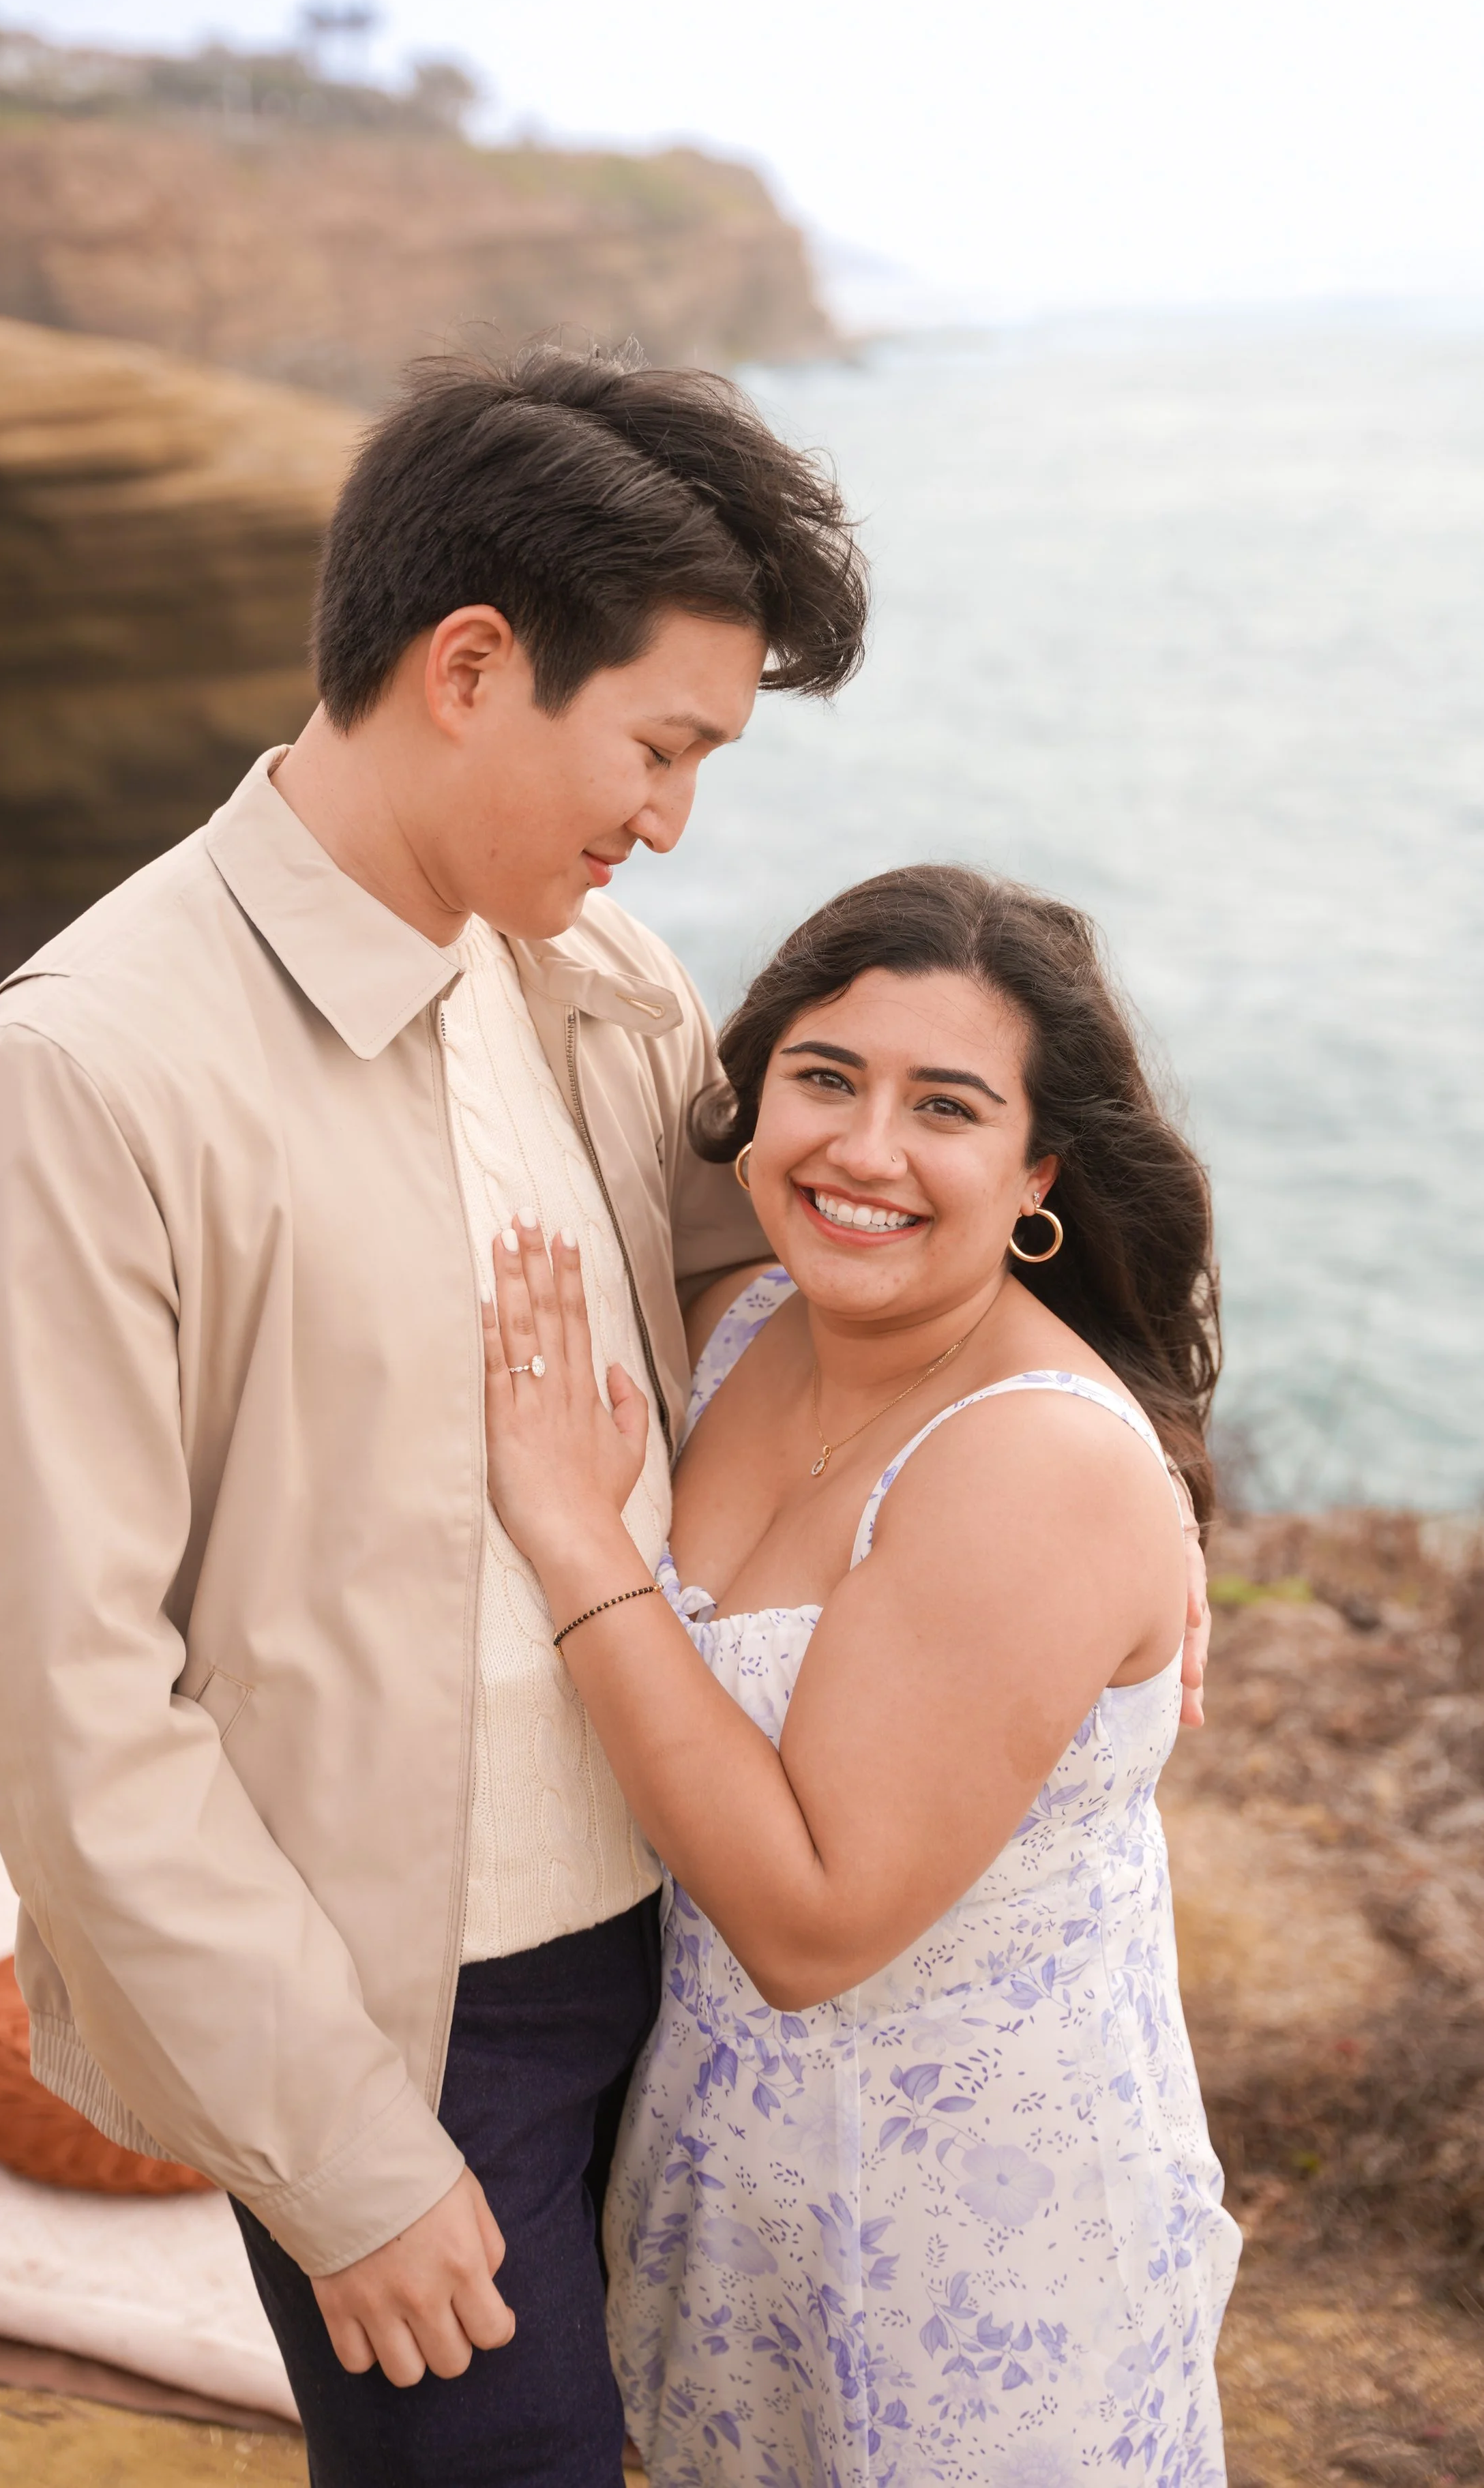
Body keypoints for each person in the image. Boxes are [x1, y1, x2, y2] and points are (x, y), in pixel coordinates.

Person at [0, 344, 871, 2488]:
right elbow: (67, 1705)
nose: (671, 818)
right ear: (470, 662)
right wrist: (343, 2155)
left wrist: (1089, 1482)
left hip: (688, 1922)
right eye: (660, 743)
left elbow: (804, 1306)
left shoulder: (600, 974)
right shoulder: (75, 1080)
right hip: (422, 2034)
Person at [479, 865, 1240, 2486]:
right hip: (722, 2193)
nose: (864, 1151)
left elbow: (810, 1923)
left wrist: (572, 1534)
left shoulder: (1028, 1461)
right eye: (824, 1079)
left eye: (944, 1108)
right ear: (753, 1102)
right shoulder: (745, 1321)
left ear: (1034, 1172)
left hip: (982, 2254)